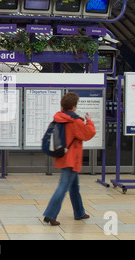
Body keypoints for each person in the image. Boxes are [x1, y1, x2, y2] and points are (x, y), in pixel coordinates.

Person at [43, 92, 96, 226]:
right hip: (72, 159)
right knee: (63, 187)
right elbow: (88, 133)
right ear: (73, 106)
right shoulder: (74, 121)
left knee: (74, 187)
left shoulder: (60, 117)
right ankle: (50, 214)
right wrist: (89, 121)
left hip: (64, 156)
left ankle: (79, 212)